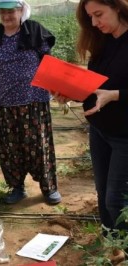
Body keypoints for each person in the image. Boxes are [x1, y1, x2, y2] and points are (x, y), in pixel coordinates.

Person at [0, 0, 61, 205]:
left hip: (34, 102)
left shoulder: (35, 32)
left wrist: (59, 90)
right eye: (2, 12)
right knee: (10, 149)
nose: (6, 16)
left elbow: (49, 63)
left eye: (10, 11)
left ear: (21, 10)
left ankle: (49, 188)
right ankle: (17, 187)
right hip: (4, 105)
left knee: (39, 146)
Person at [60, 0, 128, 263]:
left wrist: (116, 95)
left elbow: (108, 91)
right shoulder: (102, 42)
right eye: (90, 17)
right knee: (103, 192)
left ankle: (125, 246)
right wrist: (70, 91)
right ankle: (113, 245)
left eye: (99, 14)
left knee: (116, 200)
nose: (95, 23)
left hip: (125, 135)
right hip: (100, 130)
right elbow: (94, 87)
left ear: (118, 7)